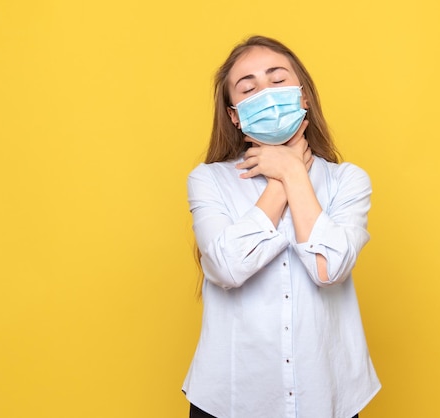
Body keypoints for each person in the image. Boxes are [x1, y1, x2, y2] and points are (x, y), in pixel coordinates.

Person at [182, 35, 381, 418]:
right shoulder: (208, 181)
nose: (266, 93)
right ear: (235, 115)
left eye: (277, 80)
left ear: (303, 96)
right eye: (249, 87)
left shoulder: (348, 181)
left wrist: (294, 173)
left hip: (329, 398)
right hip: (230, 400)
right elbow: (227, 266)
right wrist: (283, 177)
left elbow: (329, 269)